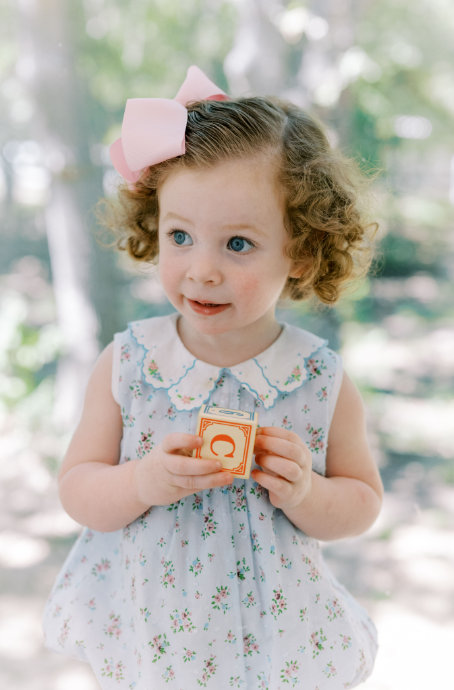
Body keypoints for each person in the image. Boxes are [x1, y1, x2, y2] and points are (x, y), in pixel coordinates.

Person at [42, 66, 384, 689]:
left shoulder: (317, 379)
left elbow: (361, 505)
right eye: (180, 235)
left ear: (300, 250)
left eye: (237, 244)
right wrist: (143, 479)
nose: (201, 270)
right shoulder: (129, 364)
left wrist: (307, 492)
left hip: (274, 643)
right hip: (152, 635)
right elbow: (78, 490)